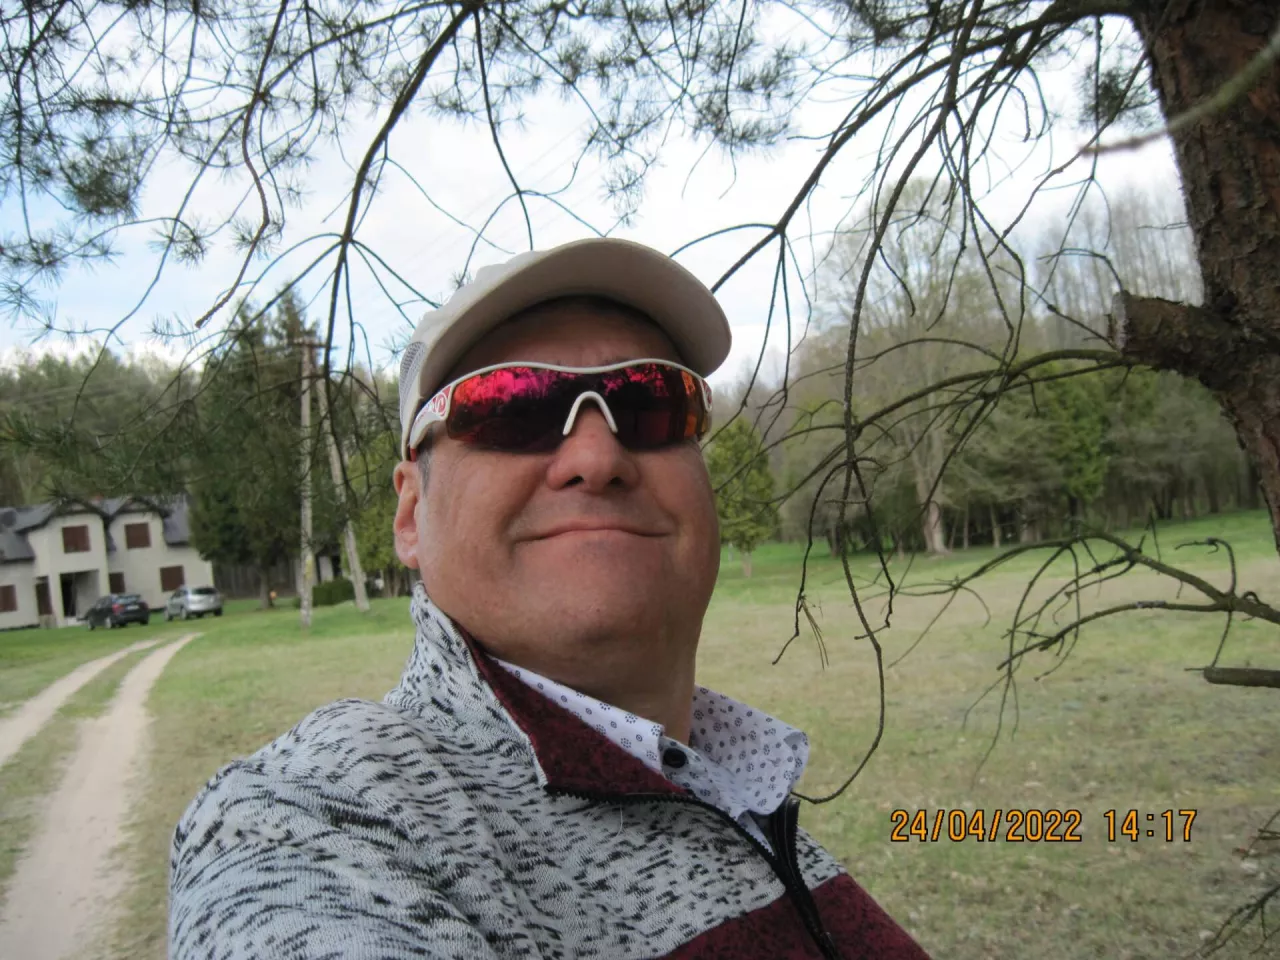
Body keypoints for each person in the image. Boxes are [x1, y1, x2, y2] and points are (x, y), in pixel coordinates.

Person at [169, 238, 931, 959]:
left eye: (650, 401)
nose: (598, 456)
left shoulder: (739, 780)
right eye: (512, 405)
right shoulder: (309, 820)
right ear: (409, 515)